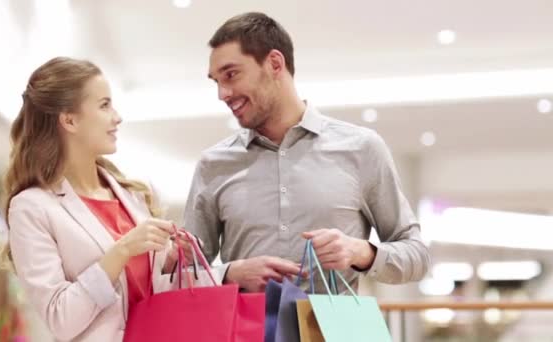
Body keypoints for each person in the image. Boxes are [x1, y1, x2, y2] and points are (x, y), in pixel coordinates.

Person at [184, 12, 430, 293]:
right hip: (246, 333)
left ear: (275, 63)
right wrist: (229, 274)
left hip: (333, 333)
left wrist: (361, 252)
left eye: (231, 75)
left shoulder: (362, 148)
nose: (223, 93)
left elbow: (417, 256)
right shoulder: (213, 164)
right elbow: (182, 273)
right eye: (216, 81)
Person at [0, 57, 224, 341]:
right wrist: (122, 251)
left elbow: (143, 295)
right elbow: (60, 318)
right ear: (69, 120)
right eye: (104, 105)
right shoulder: (32, 207)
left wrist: (169, 262)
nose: (117, 117)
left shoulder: (131, 195)